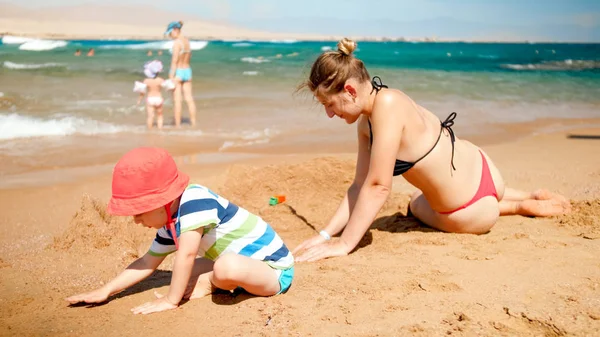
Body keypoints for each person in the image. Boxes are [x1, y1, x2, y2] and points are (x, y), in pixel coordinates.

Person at [293, 38, 571, 262]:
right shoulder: (382, 104)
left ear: (350, 90)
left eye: (329, 104)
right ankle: (527, 194)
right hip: (485, 169)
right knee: (429, 189)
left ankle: (519, 206)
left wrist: (344, 243)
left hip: (469, 214)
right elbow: (358, 186)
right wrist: (326, 234)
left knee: (415, 202)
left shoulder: (385, 109)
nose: (329, 114)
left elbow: (377, 187)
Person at [65, 147, 295, 314]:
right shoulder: (171, 223)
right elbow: (147, 263)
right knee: (185, 270)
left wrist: (170, 300)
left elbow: (185, 254)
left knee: (222, 268)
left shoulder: (195, 200)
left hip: (272, 269)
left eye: (139, 212)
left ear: (160, 201)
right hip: (243, 261)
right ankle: (212, 279)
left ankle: (211, 282)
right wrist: (106, 290)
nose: (136, 220)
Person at [164, 21, 196, 127]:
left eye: (170, 33)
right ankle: (194, 123)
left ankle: (177, 125)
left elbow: (174, 60)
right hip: (188, 70)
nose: (170, 36)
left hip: (178, 71)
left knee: (177, 101)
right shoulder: (187, 41)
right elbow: (189, 56)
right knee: (189, 99)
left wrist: (170, 75)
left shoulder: (177, 43)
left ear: (175, 30)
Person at [134, 60, 171, 129]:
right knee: (160, 115)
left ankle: (150, 129)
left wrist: (139, 100)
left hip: (150, 99)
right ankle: (160, 129)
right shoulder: (160, 80)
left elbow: (142, 92)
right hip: (159, 99)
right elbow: (168, 87)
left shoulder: (146, 81)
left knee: (150, 116)